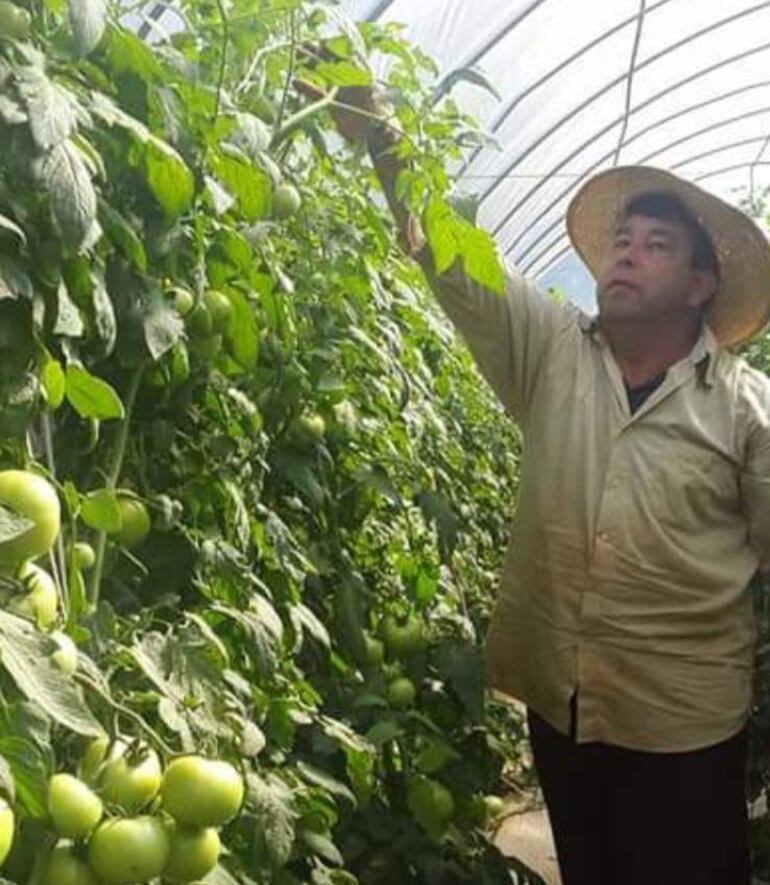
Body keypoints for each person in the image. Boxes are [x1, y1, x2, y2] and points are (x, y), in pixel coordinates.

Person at [313, 80, 770, 884]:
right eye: (621, 239)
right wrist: (388, 142)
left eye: (655, 243)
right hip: (562, 706)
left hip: (683, 727)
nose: (626, 251)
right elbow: (447, 254)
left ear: (702, 286)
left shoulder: (744, 411)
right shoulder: (554, 350)